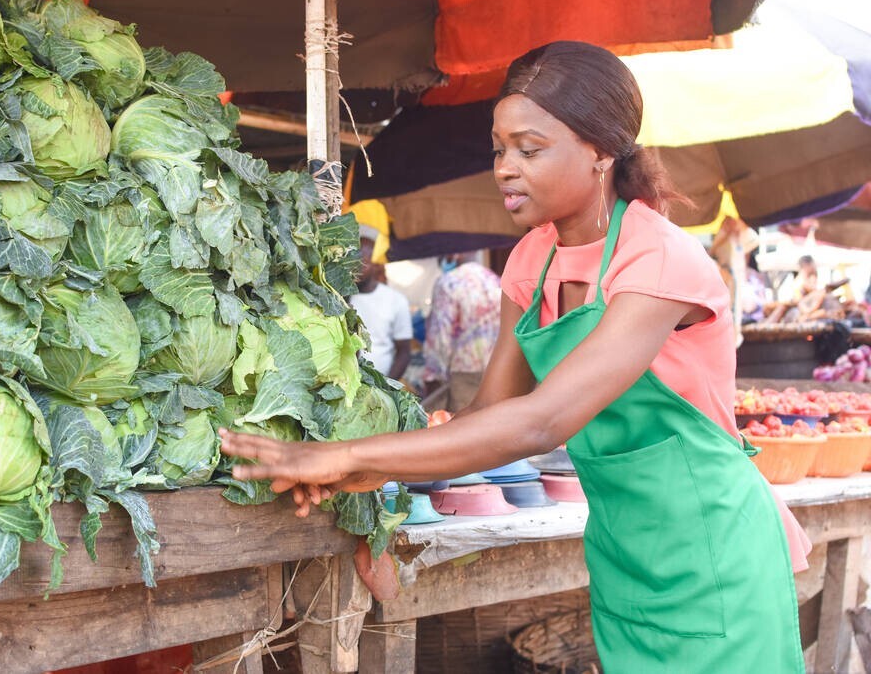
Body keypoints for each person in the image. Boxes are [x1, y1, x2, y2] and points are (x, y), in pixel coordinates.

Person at [222, 41, 807, 673]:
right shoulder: (532, 261)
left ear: (601, 151)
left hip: (717, 557)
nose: (505, 167)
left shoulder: (658, 260)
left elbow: (538, 423)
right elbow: (488, 416)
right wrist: (377, 472)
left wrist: (349, 452)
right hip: (624, 557)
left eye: (530, 149)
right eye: (500, 148)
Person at [422, 251, 502, 412]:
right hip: (499, 368)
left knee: (468, 426)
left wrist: (432, 375)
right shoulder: (496, 280)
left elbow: (440, 337)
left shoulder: (448, 283)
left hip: (464, 373)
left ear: (456, 254)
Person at [349, 229, 412, 379]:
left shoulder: (396, 300)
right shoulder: (339, 299)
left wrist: (387, 386)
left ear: (377, 264)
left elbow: (404, 351)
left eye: (363, 260)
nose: (356, 265)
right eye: (353, 259)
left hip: (381, 384)